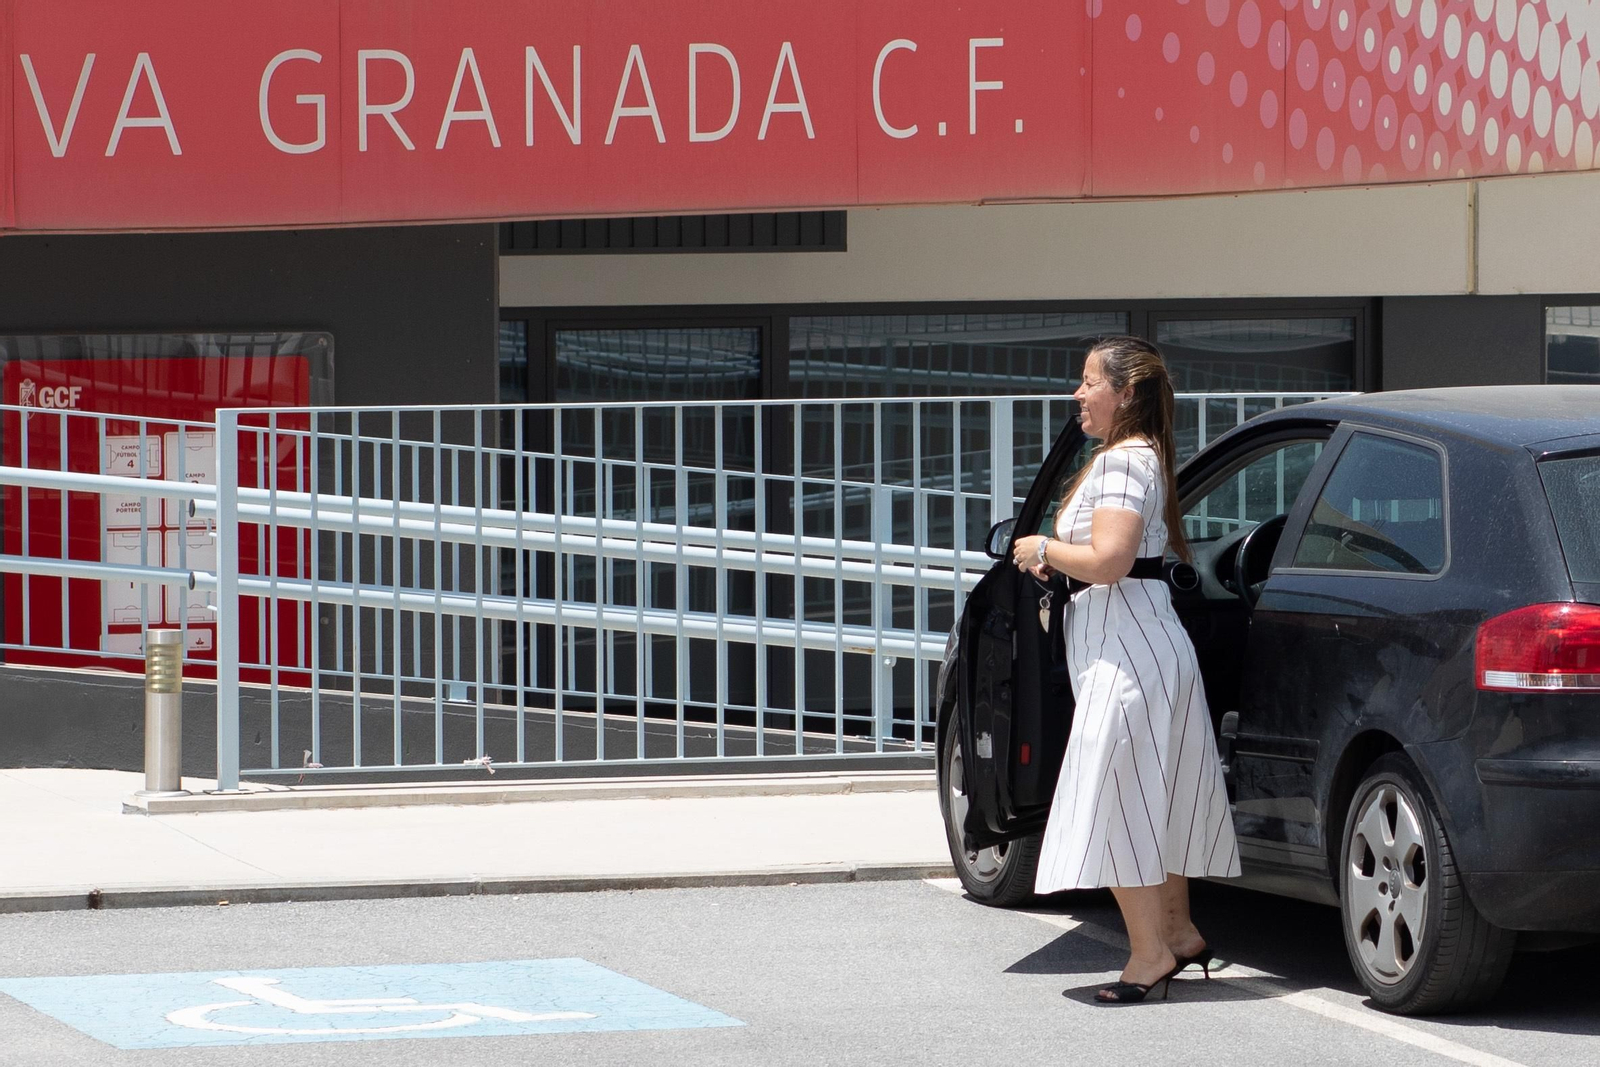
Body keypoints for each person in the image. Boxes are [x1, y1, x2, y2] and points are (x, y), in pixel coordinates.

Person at [1010, 336, 1240, 1005]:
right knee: (1154, 796)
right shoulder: (1144, 458)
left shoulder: (1119, 463)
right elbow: (1119, 558)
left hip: (1126, 655)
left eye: (1088, 382)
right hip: (1145, 643)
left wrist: (1043, 547)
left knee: (1115, 800)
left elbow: (1109, 559)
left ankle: (1149, 954)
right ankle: (1179, 930)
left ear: (1126, 391)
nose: (1077, 394)